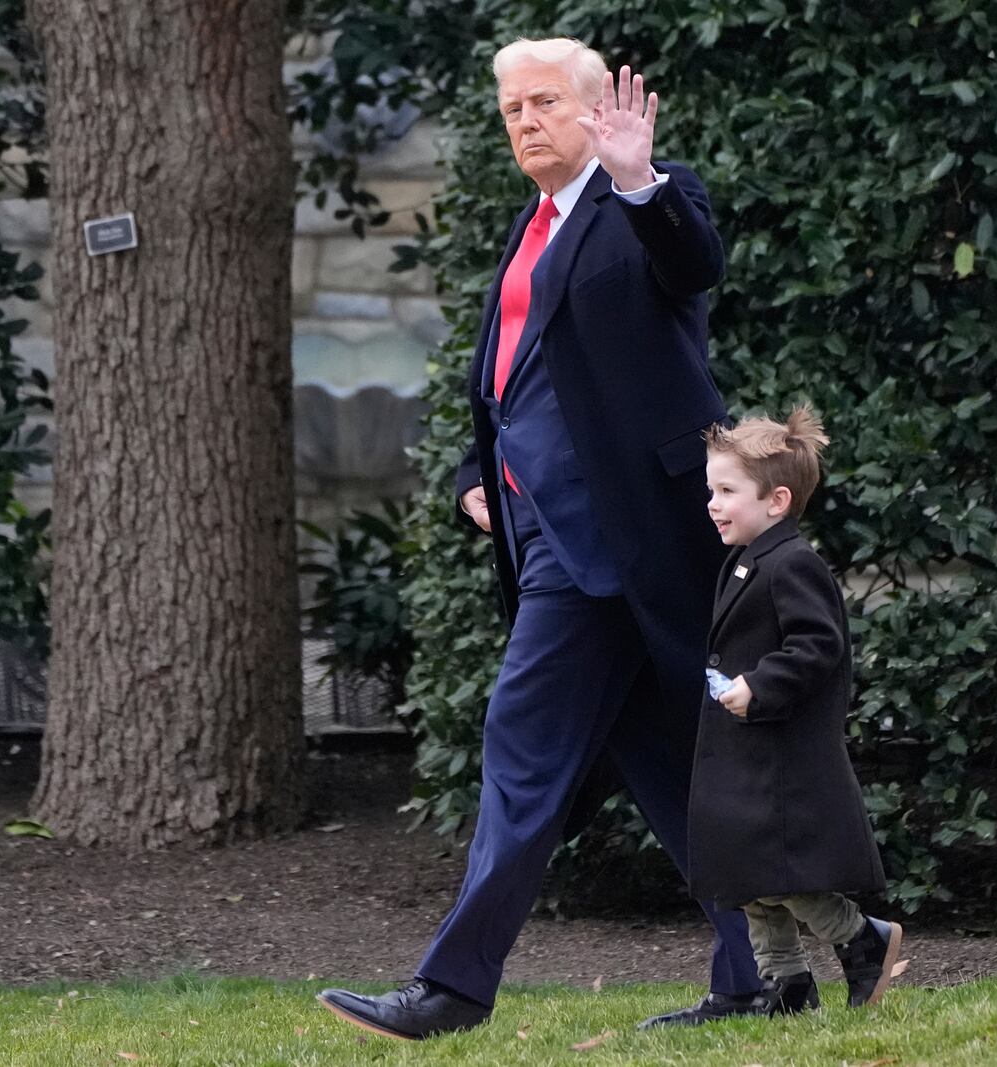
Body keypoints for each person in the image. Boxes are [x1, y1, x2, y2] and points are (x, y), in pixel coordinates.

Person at [315, 36, 763, 1040]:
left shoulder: (641, 200)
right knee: (667, 770)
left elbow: (695, 262)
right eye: (512, 107)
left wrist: (639, 176)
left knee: (521, 754)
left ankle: (451, 988)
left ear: (600, 108)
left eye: (545, 102)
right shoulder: (534, 224)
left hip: (614, 543)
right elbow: (514, 392)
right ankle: (786, 964)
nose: (525, 121)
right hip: (551, 537)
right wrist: (480, 477)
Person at [691, 407, 902, 1013]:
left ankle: (863, 938)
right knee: (748, 879)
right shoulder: (745, 559)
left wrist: (760, 685)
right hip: (746, 752)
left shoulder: (792, 562)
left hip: (780, 757)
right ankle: (785, 982)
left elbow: (817, 645)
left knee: (783, 877)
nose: (713, 503)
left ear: (777, 500)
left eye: (727, 491)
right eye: (712, 489)